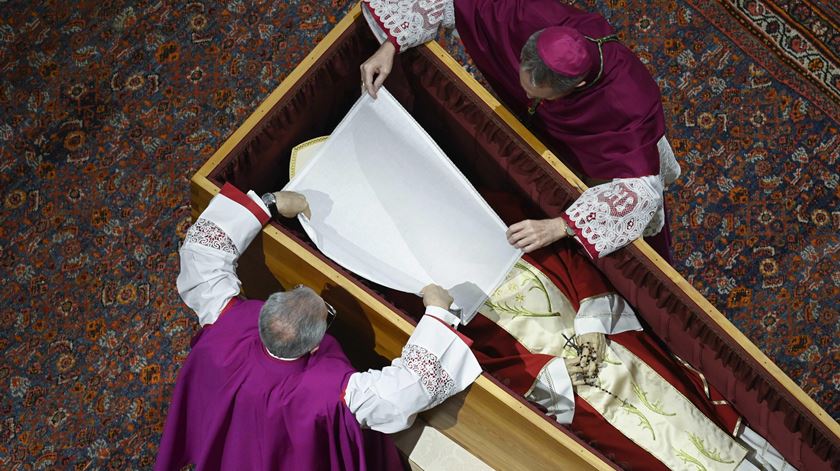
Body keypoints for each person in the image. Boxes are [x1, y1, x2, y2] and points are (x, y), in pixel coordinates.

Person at [155, 182, 481, 470]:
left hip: (239, 429)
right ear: (315, 346)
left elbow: (202, 256)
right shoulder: (332, 392)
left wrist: (269, 202)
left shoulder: (226, 321)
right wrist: (438, 312)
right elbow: (407, 391)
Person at [457, 191, 794, 470]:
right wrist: (552, 372)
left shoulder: (494, 210)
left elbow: (568, 258)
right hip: (571, 391)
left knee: (693, 412)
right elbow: (470, 360)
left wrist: (591, 324)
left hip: (607, 335)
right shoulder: (425, 292)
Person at [359, 0, 681, 262]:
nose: (527, 97)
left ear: (578, 86)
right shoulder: (528, 14)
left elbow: (640, 190)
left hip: (592, 152)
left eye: (539, 95)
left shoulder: (631, 102)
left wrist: (560, 226)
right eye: (525, 84)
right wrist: (390, 45)